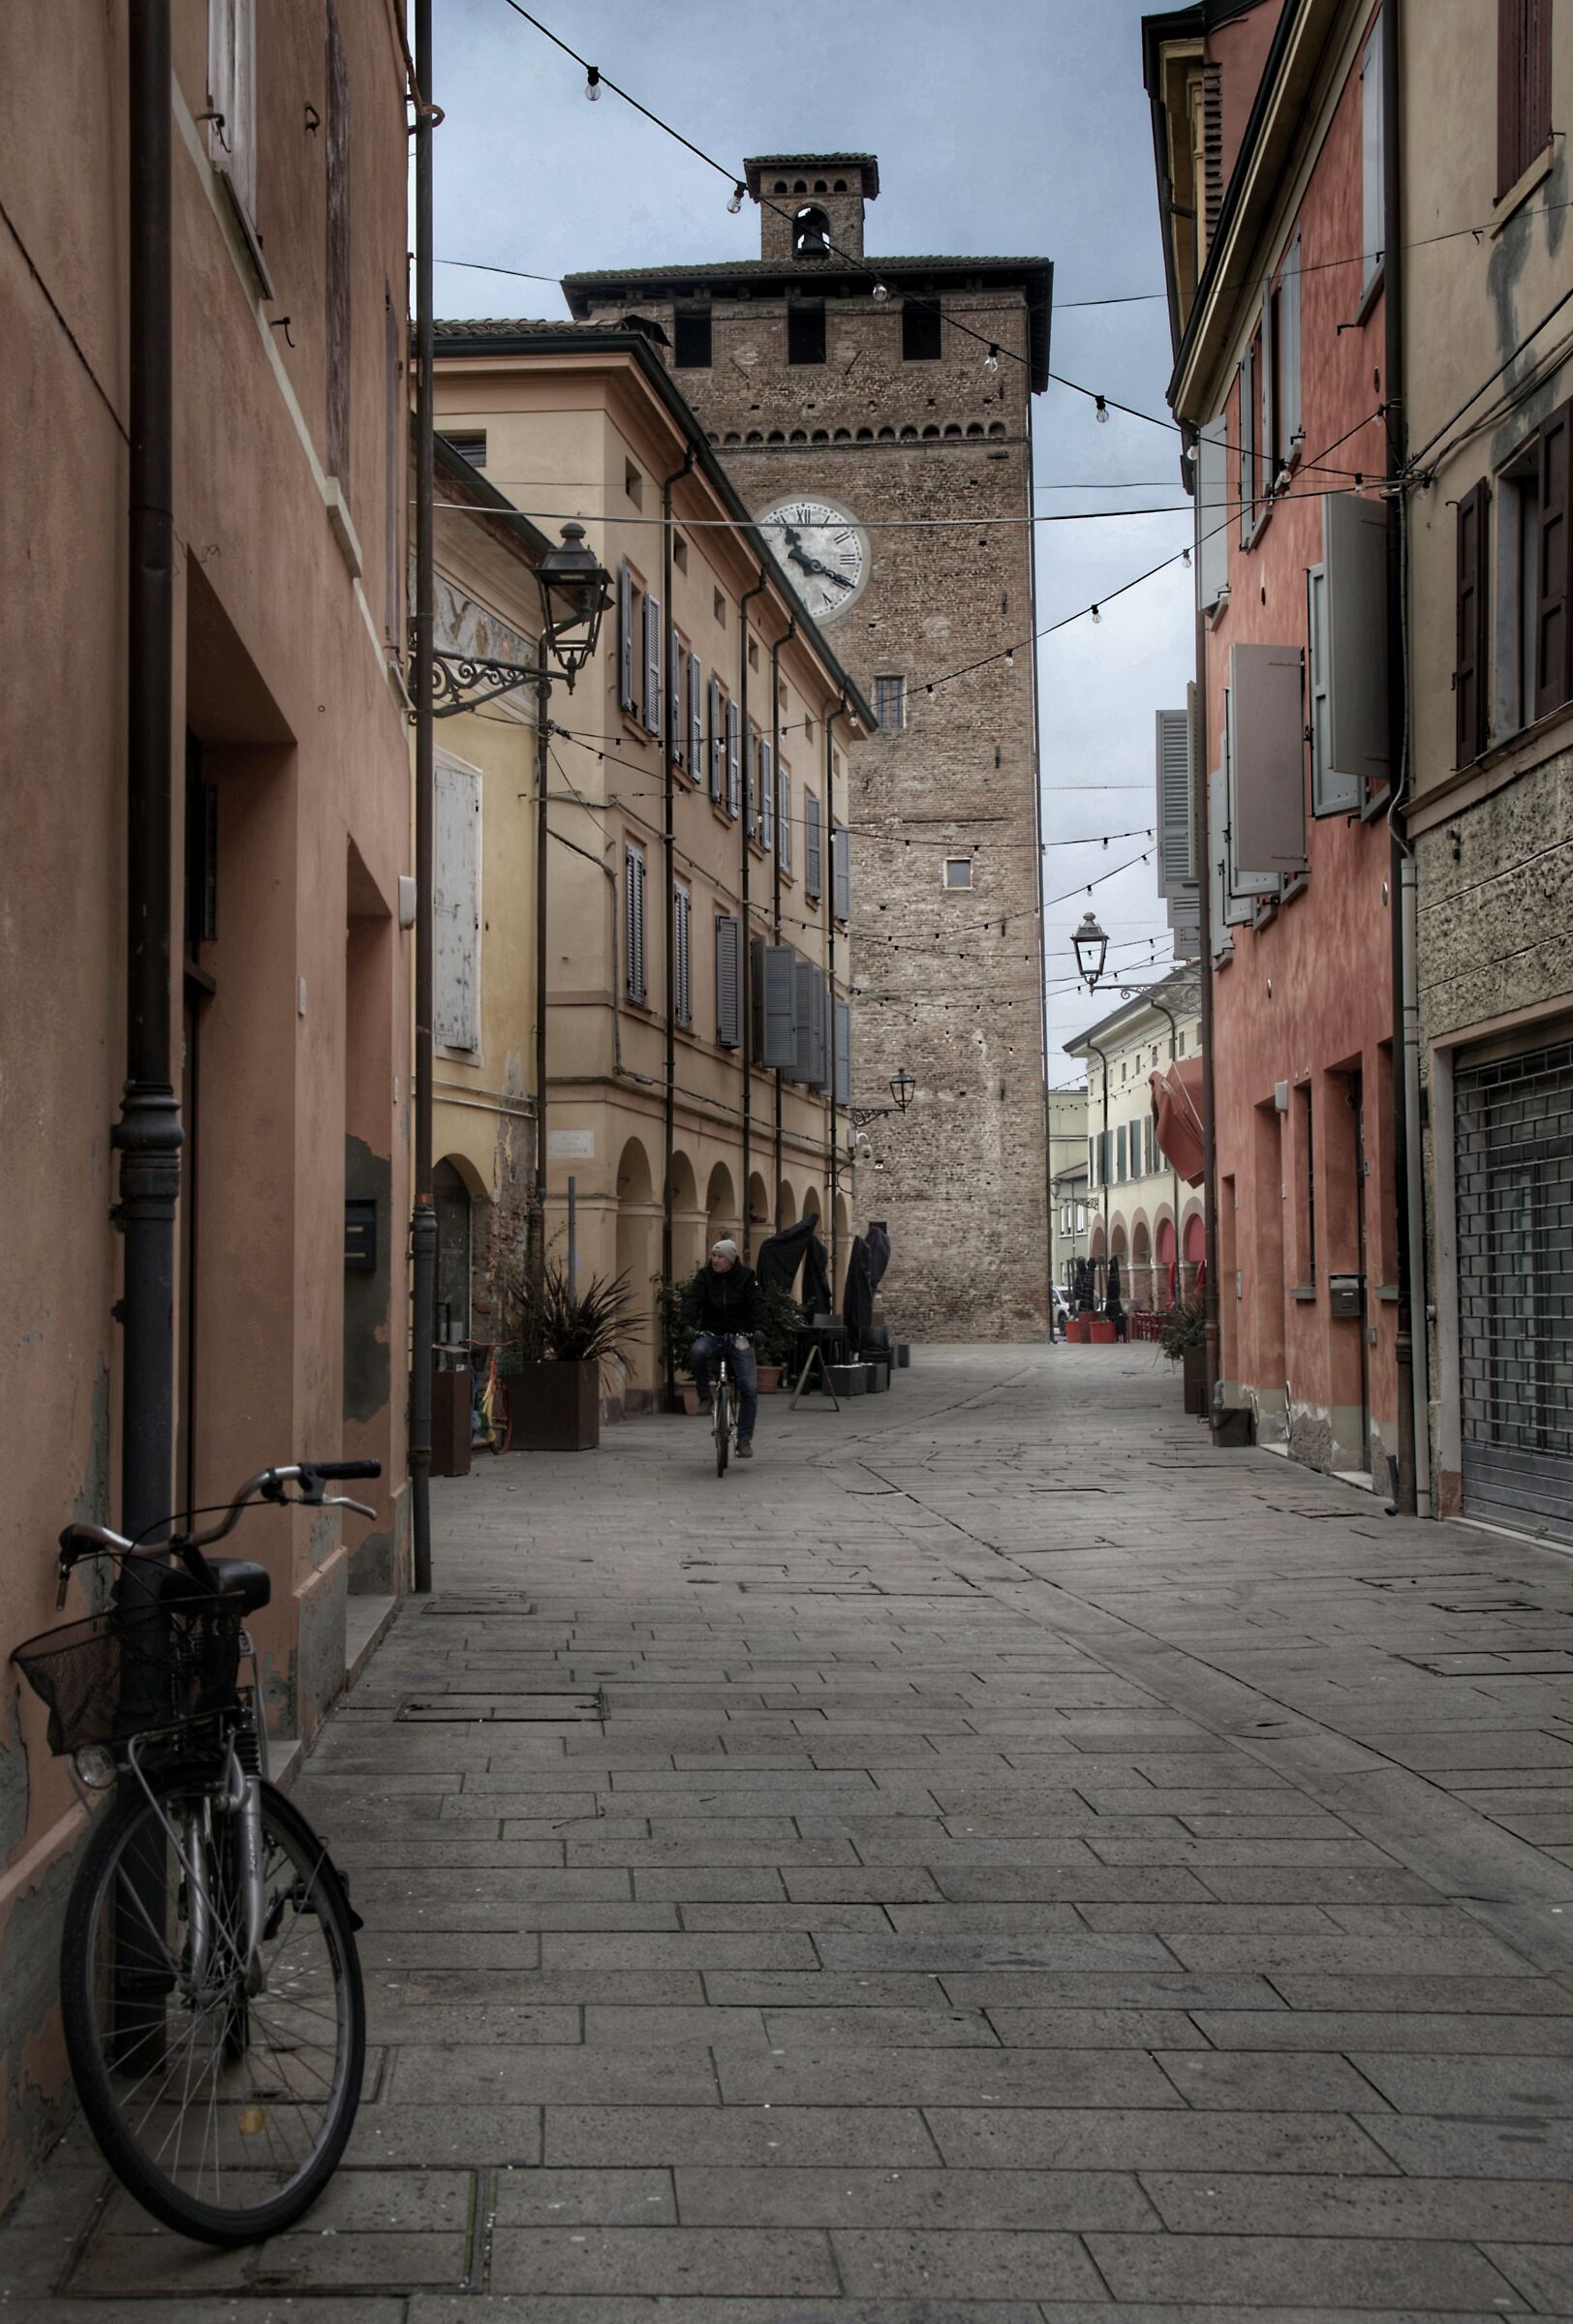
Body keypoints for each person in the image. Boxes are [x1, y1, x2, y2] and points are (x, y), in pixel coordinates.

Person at [682, 1238, 768, 1457]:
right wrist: (688, 1324)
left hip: (739, 1336)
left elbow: (758, 1303)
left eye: (720, 1257)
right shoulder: (704, 1277)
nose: (715, 1260)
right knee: (698, 1351)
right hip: (712, 1333)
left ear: (731, 1259)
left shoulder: (746, 1277)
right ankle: (705, 1397)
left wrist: (759, 1328)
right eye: (713, 1255)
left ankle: (744, 1440)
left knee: (748, 1387)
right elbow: (692, 1300)